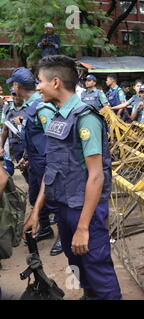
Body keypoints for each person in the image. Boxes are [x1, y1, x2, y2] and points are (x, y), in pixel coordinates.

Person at [23, 55, 122, 300]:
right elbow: (52, 168)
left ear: (55, 82)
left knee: (97, 267)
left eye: (40, 81)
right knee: (77, 262)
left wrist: (83, 228)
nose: (37, 87)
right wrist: (37, 211)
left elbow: (96, 176)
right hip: (64, 207)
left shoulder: (85, 118)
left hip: (84, 210)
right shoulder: (57, 117)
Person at [7, 67, 62, 256]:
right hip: (34, 161)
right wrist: (26, 158)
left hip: (46, 161)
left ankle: (64, 236)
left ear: (18, 86)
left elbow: (53, 137)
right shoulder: (32, 106)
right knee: (34, 197)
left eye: (13, 85)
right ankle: (45, 228)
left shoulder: (42, 106)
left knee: (53, 198)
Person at [0, 88, 27, 179]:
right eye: (14, 94)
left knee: (32, 169)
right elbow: (5, 130)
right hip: (15, 144)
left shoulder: (29, 108)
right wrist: (1, 146)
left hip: (28, 144)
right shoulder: (8, 109)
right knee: (22, 168)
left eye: (18, 94)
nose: (16, 97)